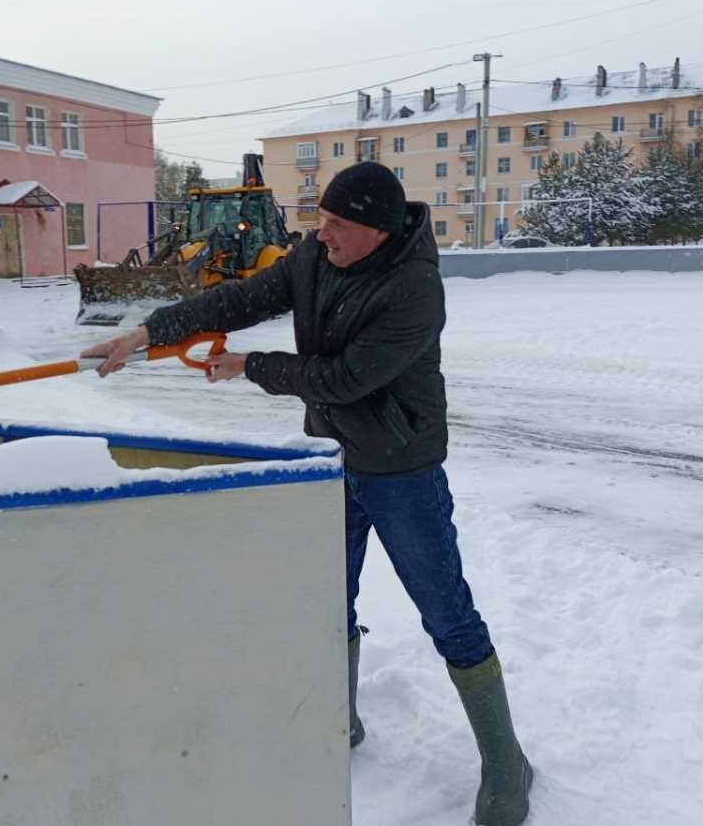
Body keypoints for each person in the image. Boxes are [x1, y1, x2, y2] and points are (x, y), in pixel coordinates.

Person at [81, 161, 532, 826]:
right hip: (330, 458)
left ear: (377, 231)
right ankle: (338, 719)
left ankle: (504, 762)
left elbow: (349, 378)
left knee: (448, 615)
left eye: (336, 224)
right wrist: (146, 332)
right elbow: (235, 300)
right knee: (327, 600)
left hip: (401, 469)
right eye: (320, 220)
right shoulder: (314, 259)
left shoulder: (415, 290)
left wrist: (250, 367)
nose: (321, 234)